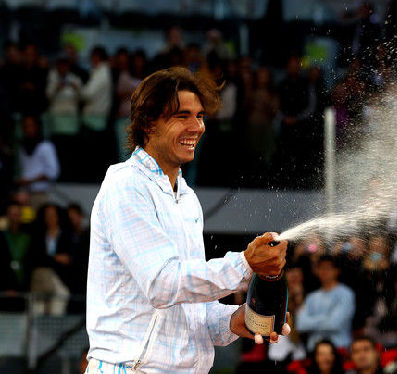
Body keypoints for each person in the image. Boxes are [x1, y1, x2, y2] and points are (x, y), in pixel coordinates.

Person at [86, 67, 289, 373]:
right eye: (182, 116)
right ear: (148, 123)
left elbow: (196, 312)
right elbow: (162, 284)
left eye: (200, 116)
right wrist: (246, 263)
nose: (197, 127)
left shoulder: (187, 198)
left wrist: (239, 320)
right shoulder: (126, 184)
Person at [296, 255, 355, 352]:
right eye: (321, 268)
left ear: (336, 271)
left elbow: (335, 324)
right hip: (315, 350)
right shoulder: (311, 297)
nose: (324, 271)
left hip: (339, 348)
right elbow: (301, 324)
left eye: (328, 268)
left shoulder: (346, 294)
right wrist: (326, 318)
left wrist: (312, 321)